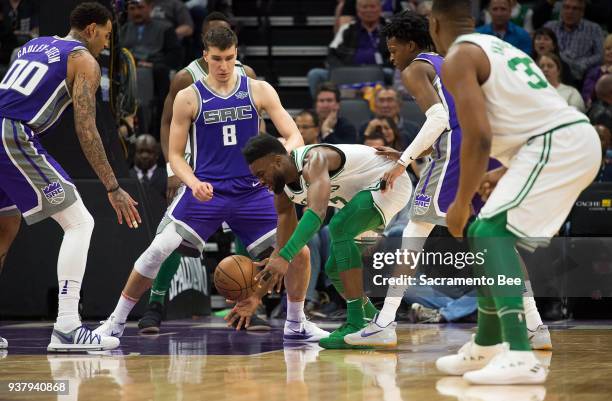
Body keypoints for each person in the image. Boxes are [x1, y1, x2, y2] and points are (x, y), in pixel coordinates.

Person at [94, 26, 328, 343]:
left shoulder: (259, 90)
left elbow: (294, 135)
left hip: (252, 191)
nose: (223, 65)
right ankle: (116, 321)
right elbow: (175, 155)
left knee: (299, 253)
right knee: (157, 250)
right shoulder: (188, 97)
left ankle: (297, 323)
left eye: (230, 58)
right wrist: (192, 181)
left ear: (237, 55)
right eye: (217, 59)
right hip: (207, 191)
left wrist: (280, 158)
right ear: (205, 56)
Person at [429, 0, 600, 384]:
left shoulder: (458, 57)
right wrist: (507, 169)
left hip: (559, 143)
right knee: (483, 234)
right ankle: (486, 345)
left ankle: (520, 354)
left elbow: (478, 137)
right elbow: (529, 114)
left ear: (434, 24)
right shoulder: (499, 47)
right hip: (559, 141)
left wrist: (459, 202)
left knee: (488, 232)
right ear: (473, 21)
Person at [0, 2, 141, 352]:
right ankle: (66, 327)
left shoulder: (33, 45)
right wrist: (112, 186)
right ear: (92, 29)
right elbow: (86, 129)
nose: (106, 45)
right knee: (80, 223)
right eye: (106, 36)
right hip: (11, 135)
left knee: (5, 228)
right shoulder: (84, 61)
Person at [136, 11, 258, 335]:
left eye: (225, 36)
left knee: (247, 233)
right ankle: (155, 305)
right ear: (204, 43)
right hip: (197, 169)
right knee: (173, 240)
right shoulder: (185, 78)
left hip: (238, 169)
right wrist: (172, 170)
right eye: (213, 36)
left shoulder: (247, 76)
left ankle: (246, 303)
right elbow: (165, 123)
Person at [240, 134, 413, 349]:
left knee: (338, 228)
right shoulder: (282, 190)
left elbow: (317, 212)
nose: (261, 181)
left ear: (277, 161)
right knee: (334, 268)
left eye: (261, 174)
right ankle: (376, 322)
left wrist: (285, 256)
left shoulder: (314, 159)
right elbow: (281, 249)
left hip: (389, 181)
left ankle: (355, 323)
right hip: (362, 201)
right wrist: (257, 296)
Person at [544, 0, 604, 82]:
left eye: (575, 9)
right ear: (561, 10)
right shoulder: (550, 27)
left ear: (582, 12)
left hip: (581, 76)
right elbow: (543, 50)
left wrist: (582, 64)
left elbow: (600, 55)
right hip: (553, 71)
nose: (570, 11)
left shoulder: (594, 29)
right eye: (566, 7)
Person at [129, 134, 166, 199]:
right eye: (140, 151)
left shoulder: (167, 176)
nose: (144, 156)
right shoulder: (126, 176)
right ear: (134, 153)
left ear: (156, 153)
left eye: (149, 152)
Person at [582, 34, 612, 106]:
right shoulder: (594, 72)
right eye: (608, 49)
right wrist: (606, 73)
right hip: (599, 108)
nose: (611, 52)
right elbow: (588, 97)